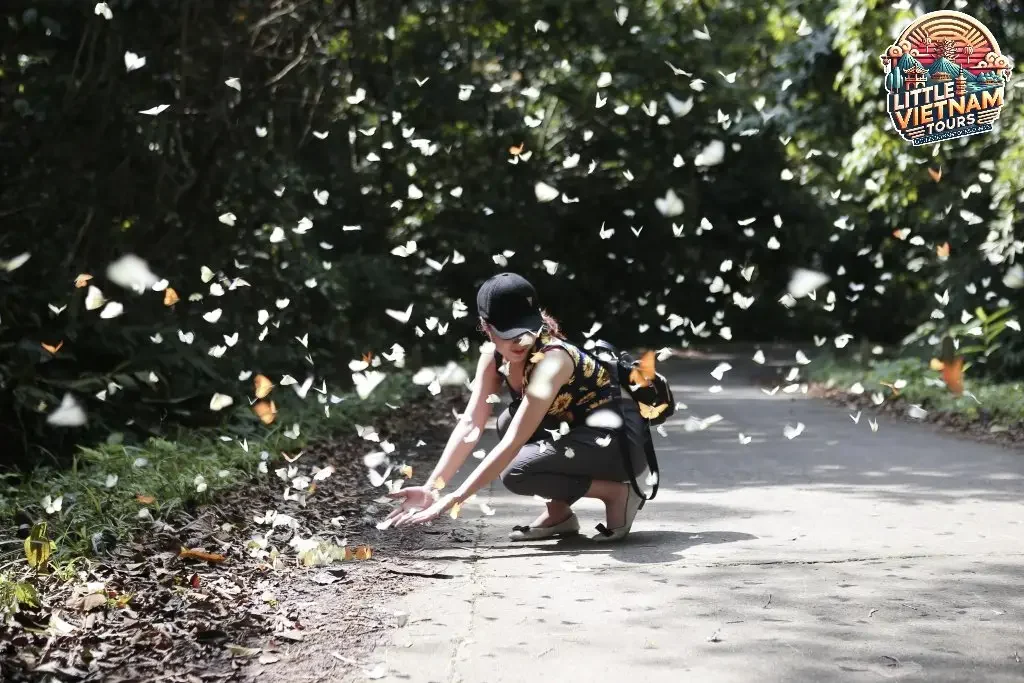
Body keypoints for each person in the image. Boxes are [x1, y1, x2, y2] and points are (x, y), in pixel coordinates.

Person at [385, 272, 650, 542]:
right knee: (508, 419)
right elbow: (470, 423)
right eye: (509, 333)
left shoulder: (553, 359)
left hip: (619, 445)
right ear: (486, 327)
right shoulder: (493, 357)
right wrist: (432, 488)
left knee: (516, 471)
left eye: (526, 329)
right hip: (581, 438)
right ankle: (559, 514)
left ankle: (617, 493)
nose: (520, 341)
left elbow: (514, 442)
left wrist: (455, 498)